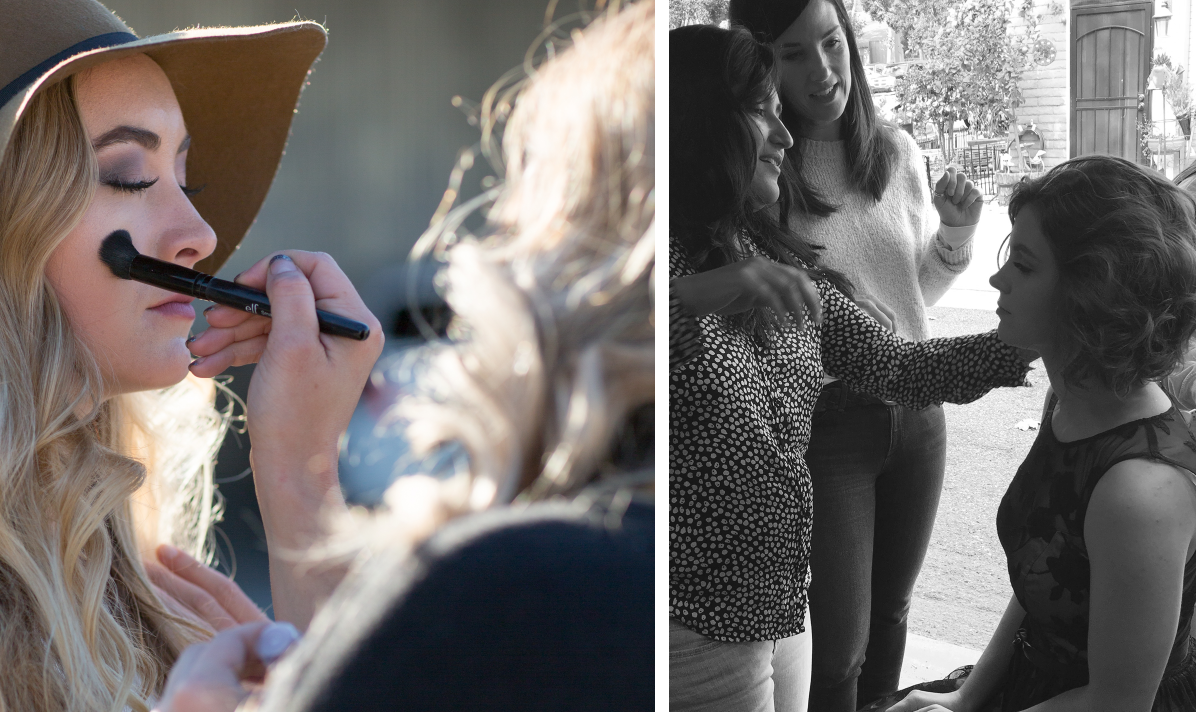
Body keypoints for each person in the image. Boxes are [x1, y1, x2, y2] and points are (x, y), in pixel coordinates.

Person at [0, 0, 380, 710]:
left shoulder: (113, 566)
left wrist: (300, 473)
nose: (198, 231)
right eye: (130, 175)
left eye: (184, 179)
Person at [154, 2, 657, 709]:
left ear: (593, 266)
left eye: (524, 213)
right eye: (126, 176)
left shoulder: (509, 589)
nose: (200, 236)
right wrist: (300, 467)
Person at [668, 24, 1029, 712]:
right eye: (760, 110)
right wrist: (705, 294)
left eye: (780, 109)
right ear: (699, 125)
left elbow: (901, 368)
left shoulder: (774, 255)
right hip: (694, 626)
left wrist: (1028, 340)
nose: (783, 134)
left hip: (780, 610)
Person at [871, 155, 1196, 712]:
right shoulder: (1070, 402)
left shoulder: (1141, 491)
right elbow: (1044, 587)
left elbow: (1117, 702)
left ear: (1090, 293)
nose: (996, 279)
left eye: (1022, 265)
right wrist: (965, 698)